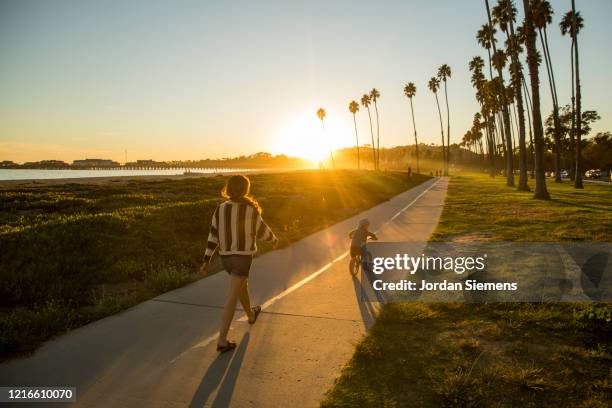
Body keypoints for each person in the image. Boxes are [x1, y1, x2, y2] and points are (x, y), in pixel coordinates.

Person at [200, 175, 278, 353]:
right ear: (246, 189)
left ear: (228, 189)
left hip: (226, 259)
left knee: (241, 286)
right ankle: (222, 341)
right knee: (232, 296)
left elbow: (212, 237)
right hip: (242, 258)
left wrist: (206, 261)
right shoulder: (250, 210)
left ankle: (251, 314)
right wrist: (274, 241)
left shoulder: (220, 209)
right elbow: (263, 231)